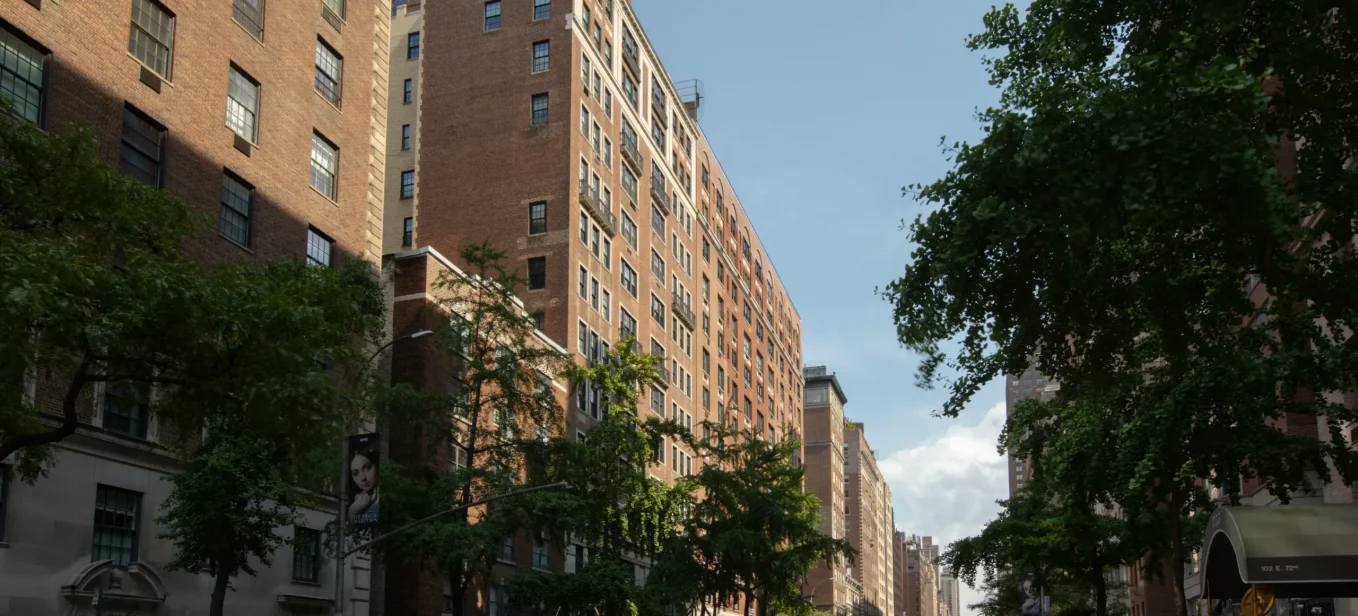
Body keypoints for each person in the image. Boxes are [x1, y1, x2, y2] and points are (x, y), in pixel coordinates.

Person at [348, 444, 380, 526]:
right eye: (356, 473)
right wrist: (352, 511)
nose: (363, 478)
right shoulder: (358, 502)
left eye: (367, 468)